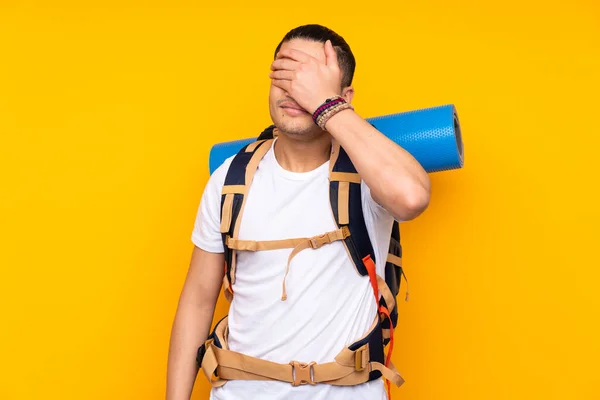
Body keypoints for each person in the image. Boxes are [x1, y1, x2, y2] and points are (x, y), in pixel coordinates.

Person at [166, 24, 431, 400]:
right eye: (284, 76)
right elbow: (196, 301)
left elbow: (411, 197)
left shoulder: (369, 170)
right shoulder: (230, 179)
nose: (294, 89)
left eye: (309, 78)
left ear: (342, 96)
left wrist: (326, 106)